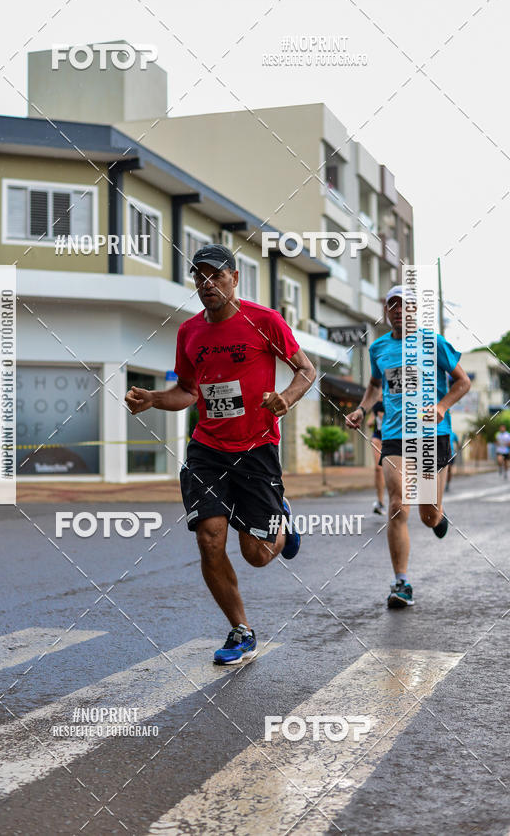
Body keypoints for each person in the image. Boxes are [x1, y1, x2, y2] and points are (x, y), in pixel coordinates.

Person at [125, 244, 316, 664]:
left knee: (257, 554)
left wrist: (285, 398)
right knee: (210, 540)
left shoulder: (265, 321)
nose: (206, 283)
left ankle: (280, 517)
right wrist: (154, 399)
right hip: (207, 449)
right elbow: (189, 391)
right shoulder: (189, 332)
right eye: (198, 276)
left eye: (215, 275)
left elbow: (306, 369)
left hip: (256, 449)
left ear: (234, 278)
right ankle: (240, 630)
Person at [345, 285, 470, 609]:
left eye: (406, 305)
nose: (399, 310)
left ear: (416, 311)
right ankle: (401, 582)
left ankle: (438, 517)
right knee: (399, 503)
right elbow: (375, 385)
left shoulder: (434, 342)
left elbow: (463, 381)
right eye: (393, 305)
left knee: (427, 514)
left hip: (432, 434)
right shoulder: (379, 348)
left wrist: (442, 406)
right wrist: (362, 408)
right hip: (395, 435)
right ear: (387, 311)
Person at [368, 400, 385, 513]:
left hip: (393, 436)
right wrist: (372, 419)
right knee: (378, 469)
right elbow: (369, 422)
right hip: (378, 437)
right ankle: (380, 502)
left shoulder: (396, 398)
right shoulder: (376, 403)